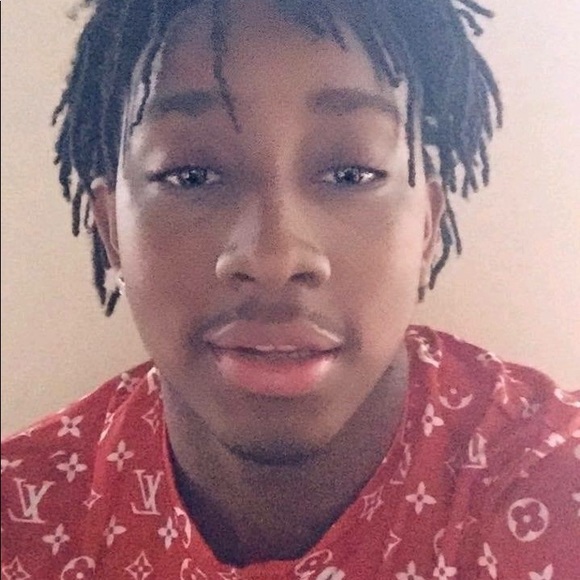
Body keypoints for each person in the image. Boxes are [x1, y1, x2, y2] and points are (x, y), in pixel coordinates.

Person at [2, 0, 578, 578]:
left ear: (426, 226)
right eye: (191, 176)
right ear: (111, 231)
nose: (273, 259)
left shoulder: (557, 489)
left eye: (350, 173)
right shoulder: (23, 523)